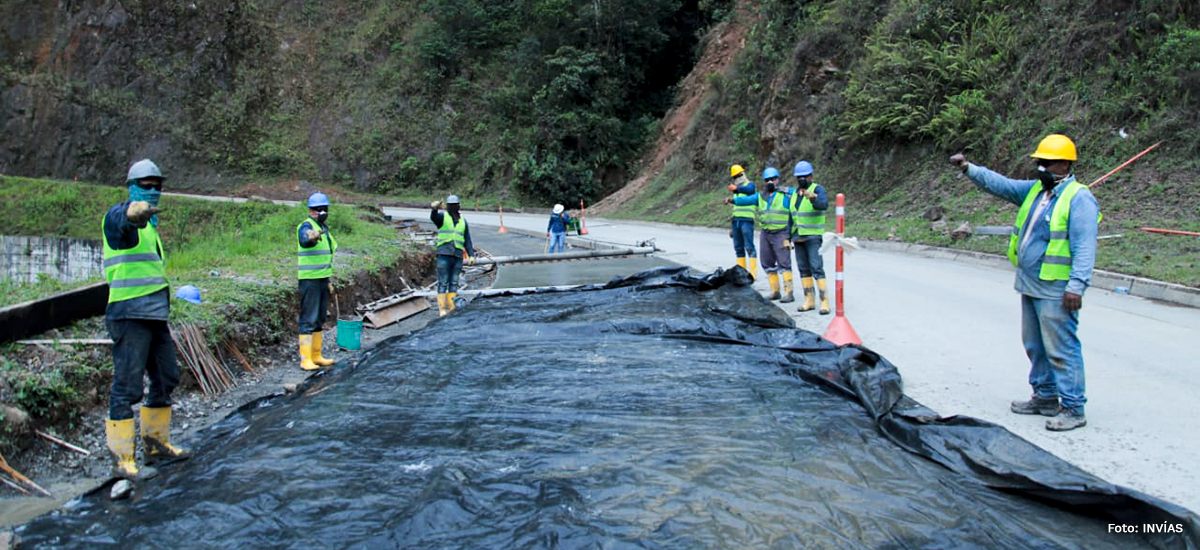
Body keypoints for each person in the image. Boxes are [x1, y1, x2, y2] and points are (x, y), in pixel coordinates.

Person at [949, 134, 1099, 432]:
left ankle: (1072, 407)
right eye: (1039, 162)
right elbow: (1001, 185)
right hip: (1030, 282)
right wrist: (969, 168)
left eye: (1046, 162)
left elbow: (1085, 246)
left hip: (1057, 287)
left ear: (1064, 164)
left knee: (1061, 347)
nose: (1040, 167)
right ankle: (1044, 397)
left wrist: (1076, 286)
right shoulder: (1035, 191)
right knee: (1035, 345)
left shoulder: (1079, 198)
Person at [101, 159, 190, 480]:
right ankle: (122, 458)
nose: (152, 192)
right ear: (132, 187)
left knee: (167, 377)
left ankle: (155, 444)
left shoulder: (152, 227)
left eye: (157, 187)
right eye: (146, 186)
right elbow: (120, 226)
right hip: (129, 314)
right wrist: (131, 216)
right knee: (126, 386)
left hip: (155, 314)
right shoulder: (119, 216)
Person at [727, 167, 794, 301]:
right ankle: (775, 291)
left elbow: (797, 204)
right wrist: (733, 200)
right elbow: (747, 200)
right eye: (768, 180)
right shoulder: (761, 196)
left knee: (784, 262)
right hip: (766, 232)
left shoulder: (787, 195)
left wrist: (791, 234)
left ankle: (789, 292)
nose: (770, 182)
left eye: (773, 179)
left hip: (781, 233)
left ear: (777, 180)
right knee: (767, 261)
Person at [296, 192, 338, 371]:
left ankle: (316, 355)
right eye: (319, 210)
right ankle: (305, 359)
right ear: (312, 211)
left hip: (321, 278)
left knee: (320, 318)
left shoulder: (324, 228)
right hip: (309, 280)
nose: (322, 212)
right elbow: (305, 240)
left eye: (324, 209)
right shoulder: (306, 226)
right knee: (309, 318)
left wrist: (327, 280)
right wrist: (311, 237)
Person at [789, 160, 830, 314]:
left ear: (811, 176)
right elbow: (791, 216)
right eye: (799, 177)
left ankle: (824, 302)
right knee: (803, 268)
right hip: (798, 237)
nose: (802, 179)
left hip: (813, 236)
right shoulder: (795, 194)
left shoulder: (817, 189)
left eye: (805, 176)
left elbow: (823, 205)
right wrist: (788, 236)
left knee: (816, 268)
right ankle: (809, 300)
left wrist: (813, 198)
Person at [431, 195, 476, 316]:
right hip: (444, 254)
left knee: (454, 283)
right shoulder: (442, 217)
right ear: (447, 206)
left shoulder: (463, 221)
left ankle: (451, 307)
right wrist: (434, 209)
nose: (454, 207)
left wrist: (471, 254)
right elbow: (434, 218)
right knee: (443, 282)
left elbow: (467, 239)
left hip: (457, 255)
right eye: (451, 205)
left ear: (459, 206)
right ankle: (442, 309)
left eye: (455, 205)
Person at [726, 164, 758, 279]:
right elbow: (735, 209)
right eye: (735, 177)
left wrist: (737, 188)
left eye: (738, 175)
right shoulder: (737, 191)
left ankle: (752, 275)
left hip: (747, 221)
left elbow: (750, 190)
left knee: (749, 247)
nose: (737, 179)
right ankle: (741, 274)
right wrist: (731, 225)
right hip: (736, 222)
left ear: (743, 174)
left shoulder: (749, 186)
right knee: (738, 248)